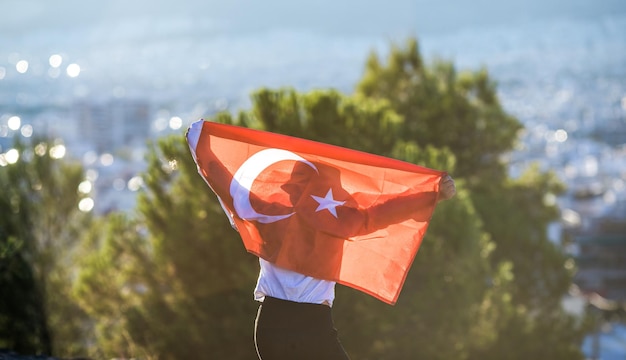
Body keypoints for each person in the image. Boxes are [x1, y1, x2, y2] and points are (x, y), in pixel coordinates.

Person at [251, 173, 457, 360]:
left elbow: (228, 191)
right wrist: (432, 195)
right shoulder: (339, 221)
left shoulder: (265, 215)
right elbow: (385, 212)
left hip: (271, 324)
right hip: (312, 326)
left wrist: (216, 146)